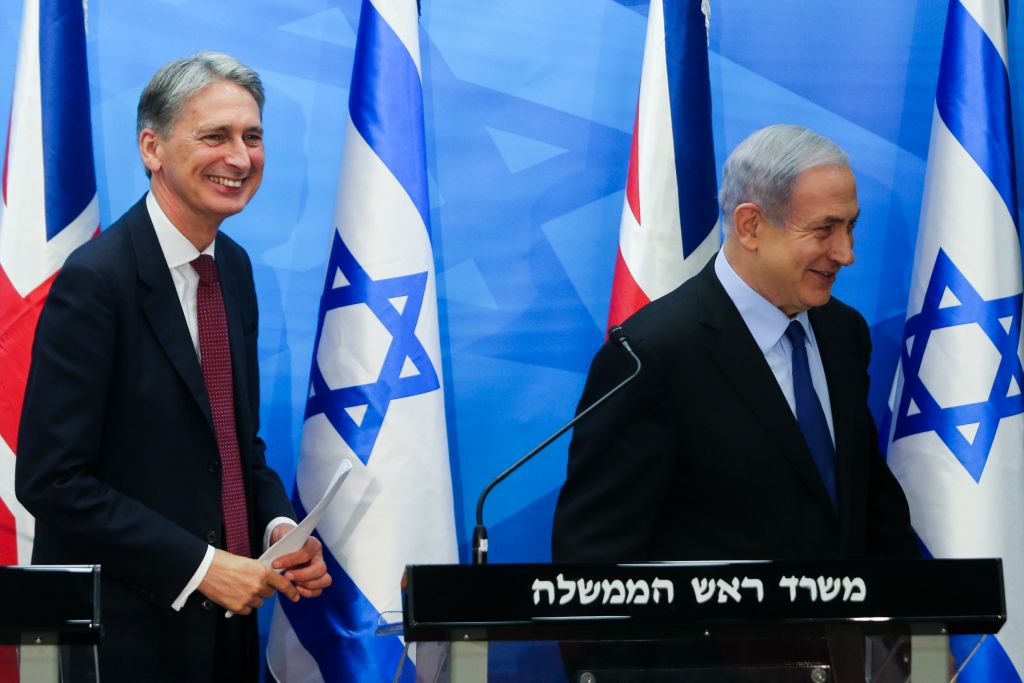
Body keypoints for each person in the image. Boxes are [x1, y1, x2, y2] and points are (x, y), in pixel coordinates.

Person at [16, 52, 330, 682]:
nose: (240, 158)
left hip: (227, 629)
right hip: (127, 639)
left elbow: (234, 446)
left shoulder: (233, 270)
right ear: (152, 148)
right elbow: (52, 480)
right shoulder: (96, 282)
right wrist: (200, 566)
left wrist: (278, 530)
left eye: (252, 136)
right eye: (215, 136)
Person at [552, 124, 919, 564]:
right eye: (825, 230)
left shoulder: (843, 332)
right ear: (751, 226)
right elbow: (594, 562)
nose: (846, 253)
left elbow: (868, 505)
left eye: (850, 227)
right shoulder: (652, 355)